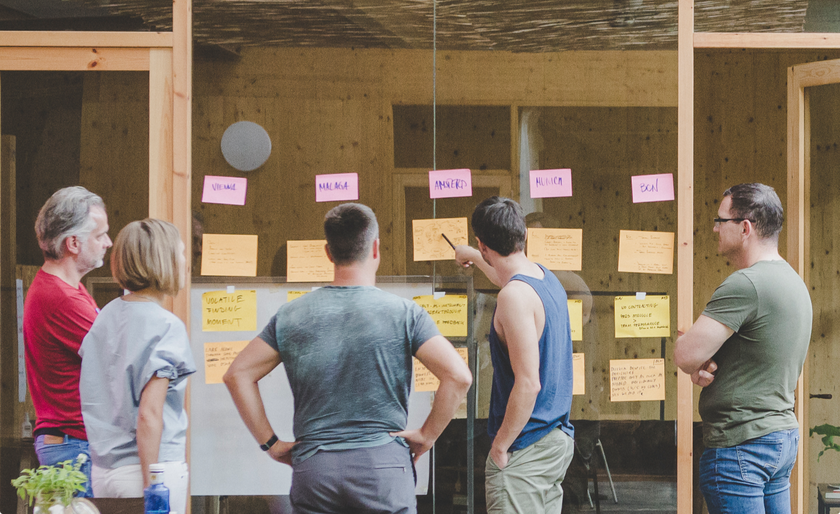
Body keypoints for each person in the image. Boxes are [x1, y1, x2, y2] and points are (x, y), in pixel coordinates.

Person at [224, 202, 472, 514]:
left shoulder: (291, 315)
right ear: (376, 248)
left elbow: (237, 374)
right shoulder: (405, 314)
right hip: (383, 468)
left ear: (328, 252)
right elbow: (458, 377)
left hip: (316, 468)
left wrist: (271, 444)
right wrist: (426, 436)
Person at [674, 183, 812, 514]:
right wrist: (708, 364)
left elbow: (684, 355)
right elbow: (755, 356)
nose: (714, 228)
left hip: (741, 445)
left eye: (721, 220)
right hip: (779, 438)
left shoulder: (746, 284)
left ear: (745, 228)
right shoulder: (794, 283)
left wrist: (693, 353)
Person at [454, 196, 574, 514]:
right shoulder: (545, 278)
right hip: (554, 441)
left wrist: (500, 446)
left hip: (524, 447)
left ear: (483, 244)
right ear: (523, 234)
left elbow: (529, 384)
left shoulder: (513, 297)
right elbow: (505, 277)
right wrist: (475, 257)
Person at [79, 219, 195, 514]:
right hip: (150, 471)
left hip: (104, 473)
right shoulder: (166, 326)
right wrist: (151, 488)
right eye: (181, 253)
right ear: (164, 260)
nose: (187, 263)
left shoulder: (103, 319)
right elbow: (149, 414)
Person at [24, 186, 112, 498]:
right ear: (73, 243)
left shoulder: (67, 288)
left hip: (71, 443)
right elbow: (118, 359)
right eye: (100, 235)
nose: (108, 243)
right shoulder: (61, 298)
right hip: (74, 446)